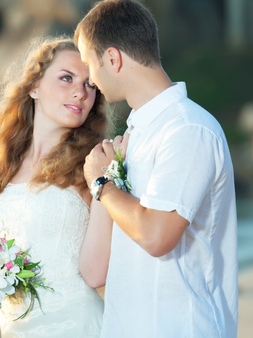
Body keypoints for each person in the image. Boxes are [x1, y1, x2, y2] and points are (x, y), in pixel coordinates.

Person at [74, 0, 239, 337]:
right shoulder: (138, 134)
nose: (91, 80)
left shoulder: (188, 129)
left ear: (112, 59)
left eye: (90, 64)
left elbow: (156, 235)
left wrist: (102, 182)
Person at [0, 36, 111, 337]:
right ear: (34, 86)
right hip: (11, 329)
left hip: (74, 327)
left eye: (90, 85)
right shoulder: (1, 164)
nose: (80, 92)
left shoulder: (94, 164)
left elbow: (95, 273)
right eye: (66, 78)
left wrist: (105, 182)